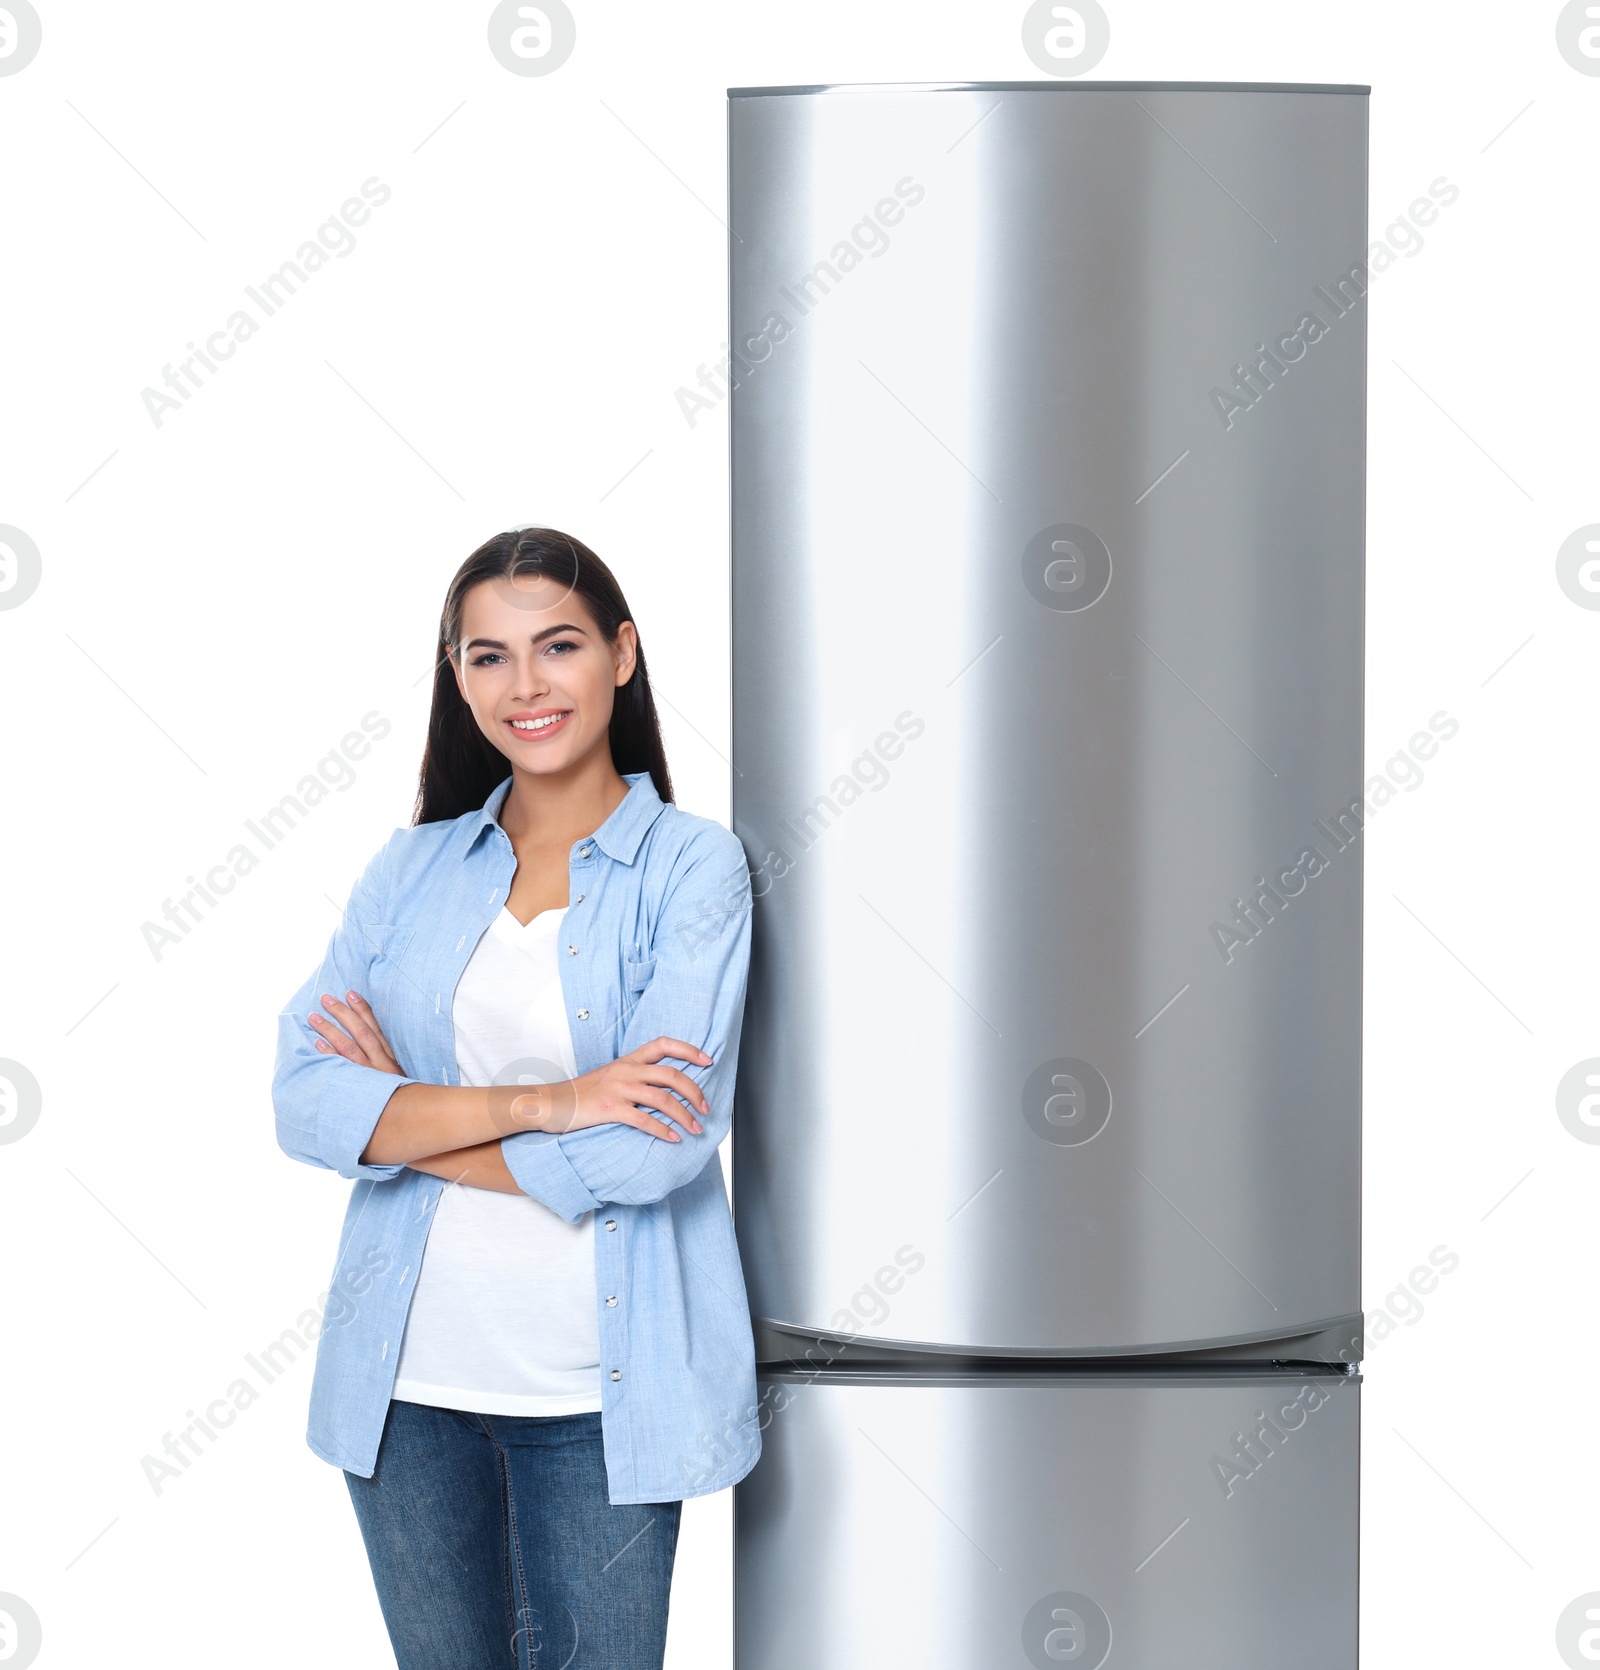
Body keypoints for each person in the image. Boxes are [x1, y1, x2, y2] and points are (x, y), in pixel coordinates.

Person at [271, 527, 760, 1670]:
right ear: (456, 674)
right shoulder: (413, 868)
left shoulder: (695, 867)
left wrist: (401, 1118)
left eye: (558, 645)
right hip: (405, 1388)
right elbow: (304, 1100)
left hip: (601, 1403)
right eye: (487, 655)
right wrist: (559, 1100)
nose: (525, 685)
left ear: (622, 653)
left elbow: (653, 1153)